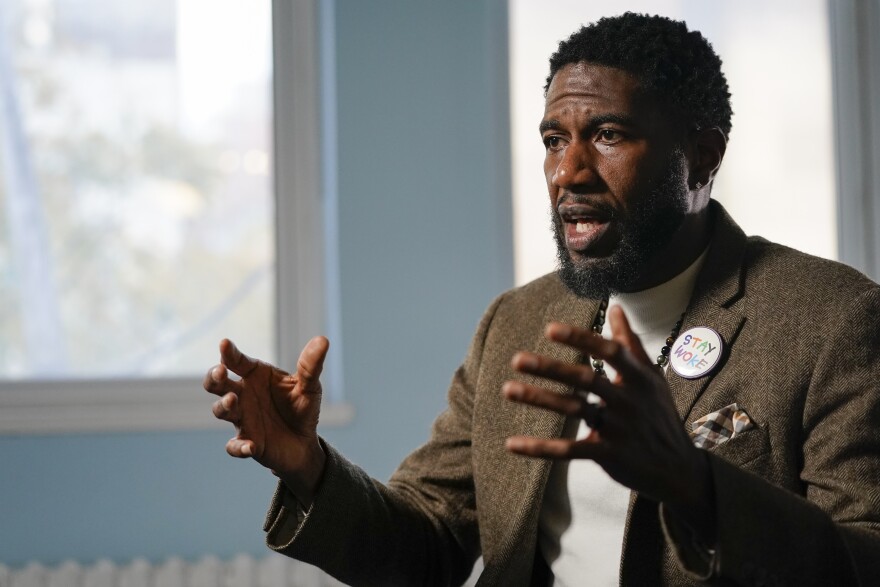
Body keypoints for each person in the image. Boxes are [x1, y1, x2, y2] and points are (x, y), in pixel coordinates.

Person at [203, 13, 880, 586]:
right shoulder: (517, 323)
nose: (567, 172)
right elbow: (430, 539)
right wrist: (311, 468)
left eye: (608, 135)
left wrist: (697, 485)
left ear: (702, 157)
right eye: (555, 140)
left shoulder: (833, 320)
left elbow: (865, 559)